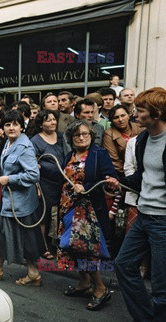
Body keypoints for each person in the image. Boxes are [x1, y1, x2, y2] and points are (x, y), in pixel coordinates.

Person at [111, 87, 166, 321]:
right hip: (144, 215)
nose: (134, 114)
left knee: (161, 287)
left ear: (157, 114)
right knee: (123, 266)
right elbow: (142, 175)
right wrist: (118, 182)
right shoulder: (143, 139)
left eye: (140, 111)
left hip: (163, 222)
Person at [59, 120, 117, 311]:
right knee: (72, 247)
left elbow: (108, 177)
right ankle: (84, 284)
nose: (81, 137)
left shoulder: (99, 154)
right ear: (71, 138)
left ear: (92, 136)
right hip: (68, 206)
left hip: (88, 209)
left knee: (85, 248)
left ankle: (101, 288)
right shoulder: (69, 155)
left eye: (85, 134)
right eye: (77, 135)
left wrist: (87, 185)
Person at [0, 110, 41, 285]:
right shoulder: (9, 143)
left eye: (15, 124)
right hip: (13, 200)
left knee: (21, 236)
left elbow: (33, 175)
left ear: (22, 126)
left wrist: (10, 179)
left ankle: (28, 272)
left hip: (20, 203)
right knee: (7, 233)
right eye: (7, 124)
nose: (11, 127)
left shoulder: (24, 146)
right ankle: (28, 271)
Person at [30, 109, 65, 260]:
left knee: (60, 214)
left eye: (54, 119)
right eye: (48, 120)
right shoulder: (35, 141)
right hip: (44, 182)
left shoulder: (62, 137)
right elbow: (32, 163)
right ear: (40, 124)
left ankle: (57, 245)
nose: (53, 122)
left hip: (62, 181)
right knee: (43, 215)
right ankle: (43, 247)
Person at [103, 104, 143, 177]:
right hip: (123, 174)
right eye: (116, 117)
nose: (120, 120)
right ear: (111, 120)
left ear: (128, 115)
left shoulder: (140, 128)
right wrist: (129, 174)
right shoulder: (109, 134)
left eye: (123, 115)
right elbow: (114, 161)